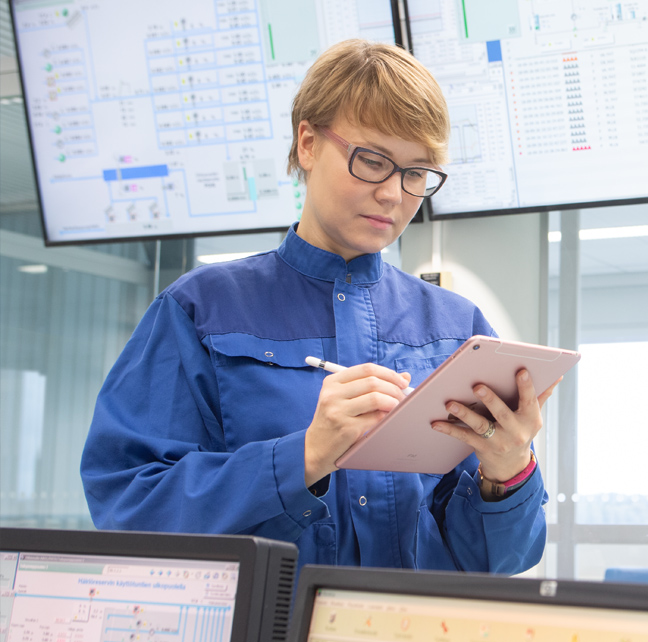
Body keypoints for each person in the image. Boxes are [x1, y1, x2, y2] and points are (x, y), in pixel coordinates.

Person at [80, 39, 554, 574]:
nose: (393, 194)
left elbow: (500, 560)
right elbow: (128, 508)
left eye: (416, 173)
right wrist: (303, 457)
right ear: (307, 143)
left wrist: (507, 470)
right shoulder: (200, 311)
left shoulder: (457, 328)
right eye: (373, 161)